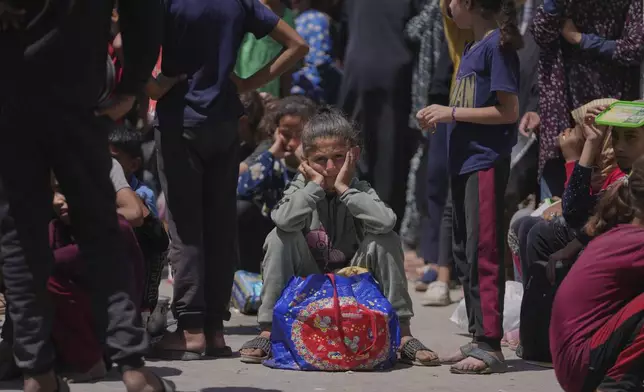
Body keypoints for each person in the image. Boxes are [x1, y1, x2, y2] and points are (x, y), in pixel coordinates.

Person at [0, 0, 173, 391]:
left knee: (19, 241)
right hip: (76, 98)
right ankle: (131, 366)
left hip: (9, 103)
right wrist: (131, 88)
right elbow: (143, 14)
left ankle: (37, 372)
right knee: (99, 233)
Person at [150, 0, 308, 360]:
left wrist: (151, 86)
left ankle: (190, 331)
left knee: (186, 226)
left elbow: (129, 42)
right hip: (225, 122)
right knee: (219, 226)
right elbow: (298, 45)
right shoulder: (241, 2)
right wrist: (248, 83)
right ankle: (215, 332)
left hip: (180, 119)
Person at [239, 107, 439, 366]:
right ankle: (268, 330)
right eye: (321, 159)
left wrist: (345, 189)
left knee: (385, 238)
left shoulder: (358, 188)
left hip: (355, 283)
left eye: (338, 157)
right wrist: (313, 187)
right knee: (279, 237)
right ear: (306, 160)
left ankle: (403, 334)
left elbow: (386, 221)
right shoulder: (301, 187)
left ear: (352, 157)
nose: (331, 167)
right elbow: (283, 220)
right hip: (310, 283)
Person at [417, 0, 522, 374]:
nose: (446, 5)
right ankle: (478, 337)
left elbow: (508, 111)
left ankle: (491, 344)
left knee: (484, 250)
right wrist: (440, 115)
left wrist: (451, 113)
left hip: (484, 163)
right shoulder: (472, 46)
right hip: (463, 164)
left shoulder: (498, 46)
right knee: (465, 251)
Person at [531, 0, 644, 200]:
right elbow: (540, 32)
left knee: (608, 197)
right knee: (551, 209)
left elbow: (634, 48)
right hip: (562, 110)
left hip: (610, 110)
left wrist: (581, 39)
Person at [550, 156, 644, 392]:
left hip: (579, 360)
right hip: (581, 366)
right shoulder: (636, 241)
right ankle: (615, 387)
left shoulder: (624, 233)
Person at [336, 0, 423, 228]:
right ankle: (383, 219)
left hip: (357, 71)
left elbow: (342, 32)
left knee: (356, 146)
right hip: (394, 72)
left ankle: (353, 213)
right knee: (389, 149)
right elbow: (420, 32)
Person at [237, 96, 317, 273]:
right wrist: (271, 154)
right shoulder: (270, 157)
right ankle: (249, 277)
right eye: (286, 135)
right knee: (241, 209)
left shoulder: (320, 159)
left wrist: (304, 161)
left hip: (306, 232)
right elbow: (241, 189)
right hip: (271, 231)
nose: (291, 143)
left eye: (300, 136)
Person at [235, 0, 297, 99]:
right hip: (240, 91)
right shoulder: (245, 10)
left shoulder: (288, 16)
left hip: (270, 95)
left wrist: (285, 98)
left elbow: (289, 64)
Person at [290, 0, 342, 104]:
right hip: (314, 93)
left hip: (294, 90)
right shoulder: (317, 19)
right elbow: (320, 61)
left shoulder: (290, 20)